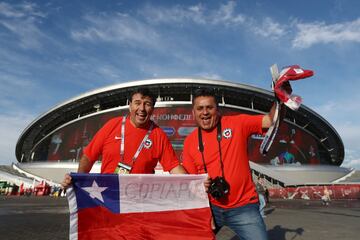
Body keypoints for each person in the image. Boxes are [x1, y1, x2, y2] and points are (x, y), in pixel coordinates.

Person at [182, 88, 281, 240]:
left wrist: (281, 98)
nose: (205, 112)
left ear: (218, 109)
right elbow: (190, 183)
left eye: (210, 107)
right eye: (200, 108)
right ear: (193, 112)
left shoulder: (237, 123)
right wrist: (200, 188)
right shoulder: (189, 141)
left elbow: (271, 120)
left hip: (243, 206)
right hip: (210, 208)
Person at [62, 88, 186, 188]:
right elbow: (89, 156)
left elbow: (174, 166)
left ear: (152, 108)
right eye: (137, 103)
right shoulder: (112, 125)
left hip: (139, 200)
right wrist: (79, 180)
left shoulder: (158, 134)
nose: (142, 109)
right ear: (130, 105)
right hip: (107, 196)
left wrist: (194, 184)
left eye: (147, 104)